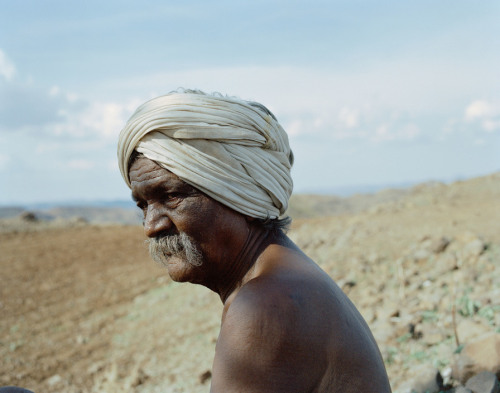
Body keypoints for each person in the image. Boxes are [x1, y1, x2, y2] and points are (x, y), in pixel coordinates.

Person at [117, 89, 392, 392]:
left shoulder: (264, 306)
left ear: (242, 198)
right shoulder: (285, 280)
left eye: (171, 196)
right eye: (143, 205)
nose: (150, 226)